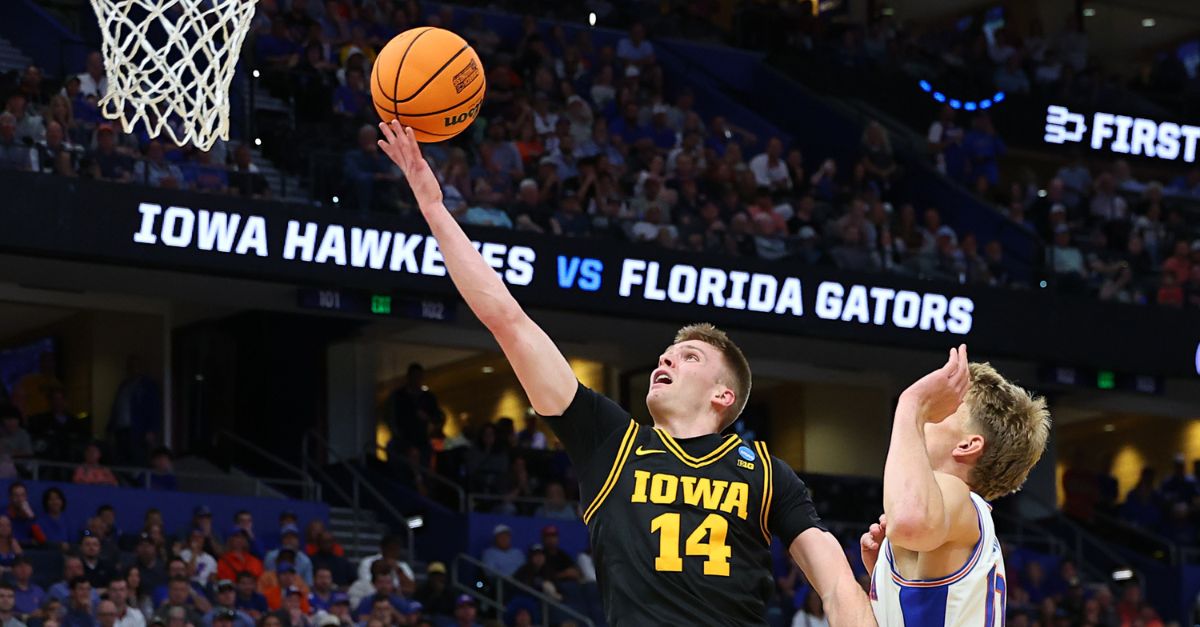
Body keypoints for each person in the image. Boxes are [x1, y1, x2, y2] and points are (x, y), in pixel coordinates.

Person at [376, 120, 872, 625]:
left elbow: (835, 582)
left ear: (724, 395)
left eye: (689, 357)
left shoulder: (766, 472)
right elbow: (508, 320)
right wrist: (434, 209)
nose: (666, 359)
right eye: (667, 354)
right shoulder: (610, 442)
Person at [861, 346, 1051, 626]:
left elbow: (910, 522)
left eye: (945, 408)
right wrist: (887, 577)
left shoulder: (956, 493)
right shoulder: (962, 515)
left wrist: (911, 404)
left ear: (968, 445)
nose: (930, 413)